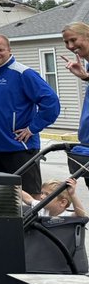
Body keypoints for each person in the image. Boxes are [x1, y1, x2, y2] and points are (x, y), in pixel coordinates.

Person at [0, 33, 60, 195]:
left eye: (1, 49)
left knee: (29, 199)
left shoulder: (23, 73)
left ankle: (32, 221)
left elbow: (51, 103)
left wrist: (32, 128)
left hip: (19, 149)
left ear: (9, 50)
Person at [60, 22, 89, 184]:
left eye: (73, 40)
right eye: (66, 42)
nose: (70, 46)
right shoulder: (86, 65)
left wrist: (86, 77)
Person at [22, 178, 86, 217]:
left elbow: (81, 214)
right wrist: (14, 185)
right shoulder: (41, 208)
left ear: (63, 202)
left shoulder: (66, 215)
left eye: (47, 194)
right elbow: (28, 199)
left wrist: (73, 195)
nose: (41, 197)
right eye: (42, 193)